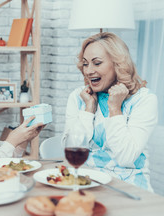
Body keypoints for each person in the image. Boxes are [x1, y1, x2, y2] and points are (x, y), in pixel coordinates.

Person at [63, 32, 158, 191]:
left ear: (118, 64)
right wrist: (88, 111)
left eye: (97, 63)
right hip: (86, 182)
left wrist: (115, 109)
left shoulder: (144, 100)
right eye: (85, 64)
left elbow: (126, 157)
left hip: (129, 186)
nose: (89, 71)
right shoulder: (79, 97)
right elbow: (71, 149)